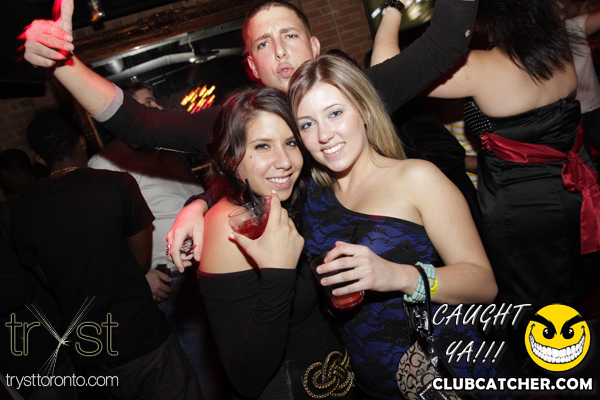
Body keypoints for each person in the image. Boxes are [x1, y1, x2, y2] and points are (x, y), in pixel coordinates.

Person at [20, 0, 477, 177]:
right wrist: (63, 62)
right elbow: (141, 124)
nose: (279, 50)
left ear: (314, 46)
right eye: (263, 43)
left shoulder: (358, 93)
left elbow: (444, 44)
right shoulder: (239, 122)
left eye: (290, 35)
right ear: (253, 67)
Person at [274, 53, 498, 399]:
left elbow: (483, 283)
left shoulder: (418, 178)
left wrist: (397, 276)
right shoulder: (310, 195)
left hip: (445, 375)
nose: (324, 135)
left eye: (335, 113)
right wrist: (197, 207)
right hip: (371, 383)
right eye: (307, 124)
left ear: (364, 110)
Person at [10, 111, 202, 399]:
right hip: (141, 334)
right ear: (81, 141)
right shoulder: (117, 183)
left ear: (39, 158)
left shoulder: (22, 209)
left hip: (90, 350)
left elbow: (51, 280)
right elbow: (140, 260)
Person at [197, 86, 354, 399]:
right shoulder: (230, 226)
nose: (284, 162)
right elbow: (245, 378)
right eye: (262, 146)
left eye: (291, 143)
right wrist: (278, 273)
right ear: (231, 158)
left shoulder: (276, 205)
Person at [88, 82, 226, 399]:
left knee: (223, 358)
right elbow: (101, 237)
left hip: (209, 264)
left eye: (153, 100)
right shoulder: (104, 164)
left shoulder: (167, 148)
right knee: (201, 368)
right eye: (145, 103)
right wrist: (140, 275)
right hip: (174, 277)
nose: (155, 108)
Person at [560, 0, 600, 155]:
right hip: (570, 116)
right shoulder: (573, 26)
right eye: (588, 6)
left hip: (593, 107)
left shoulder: (573, 27)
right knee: (583, 163)